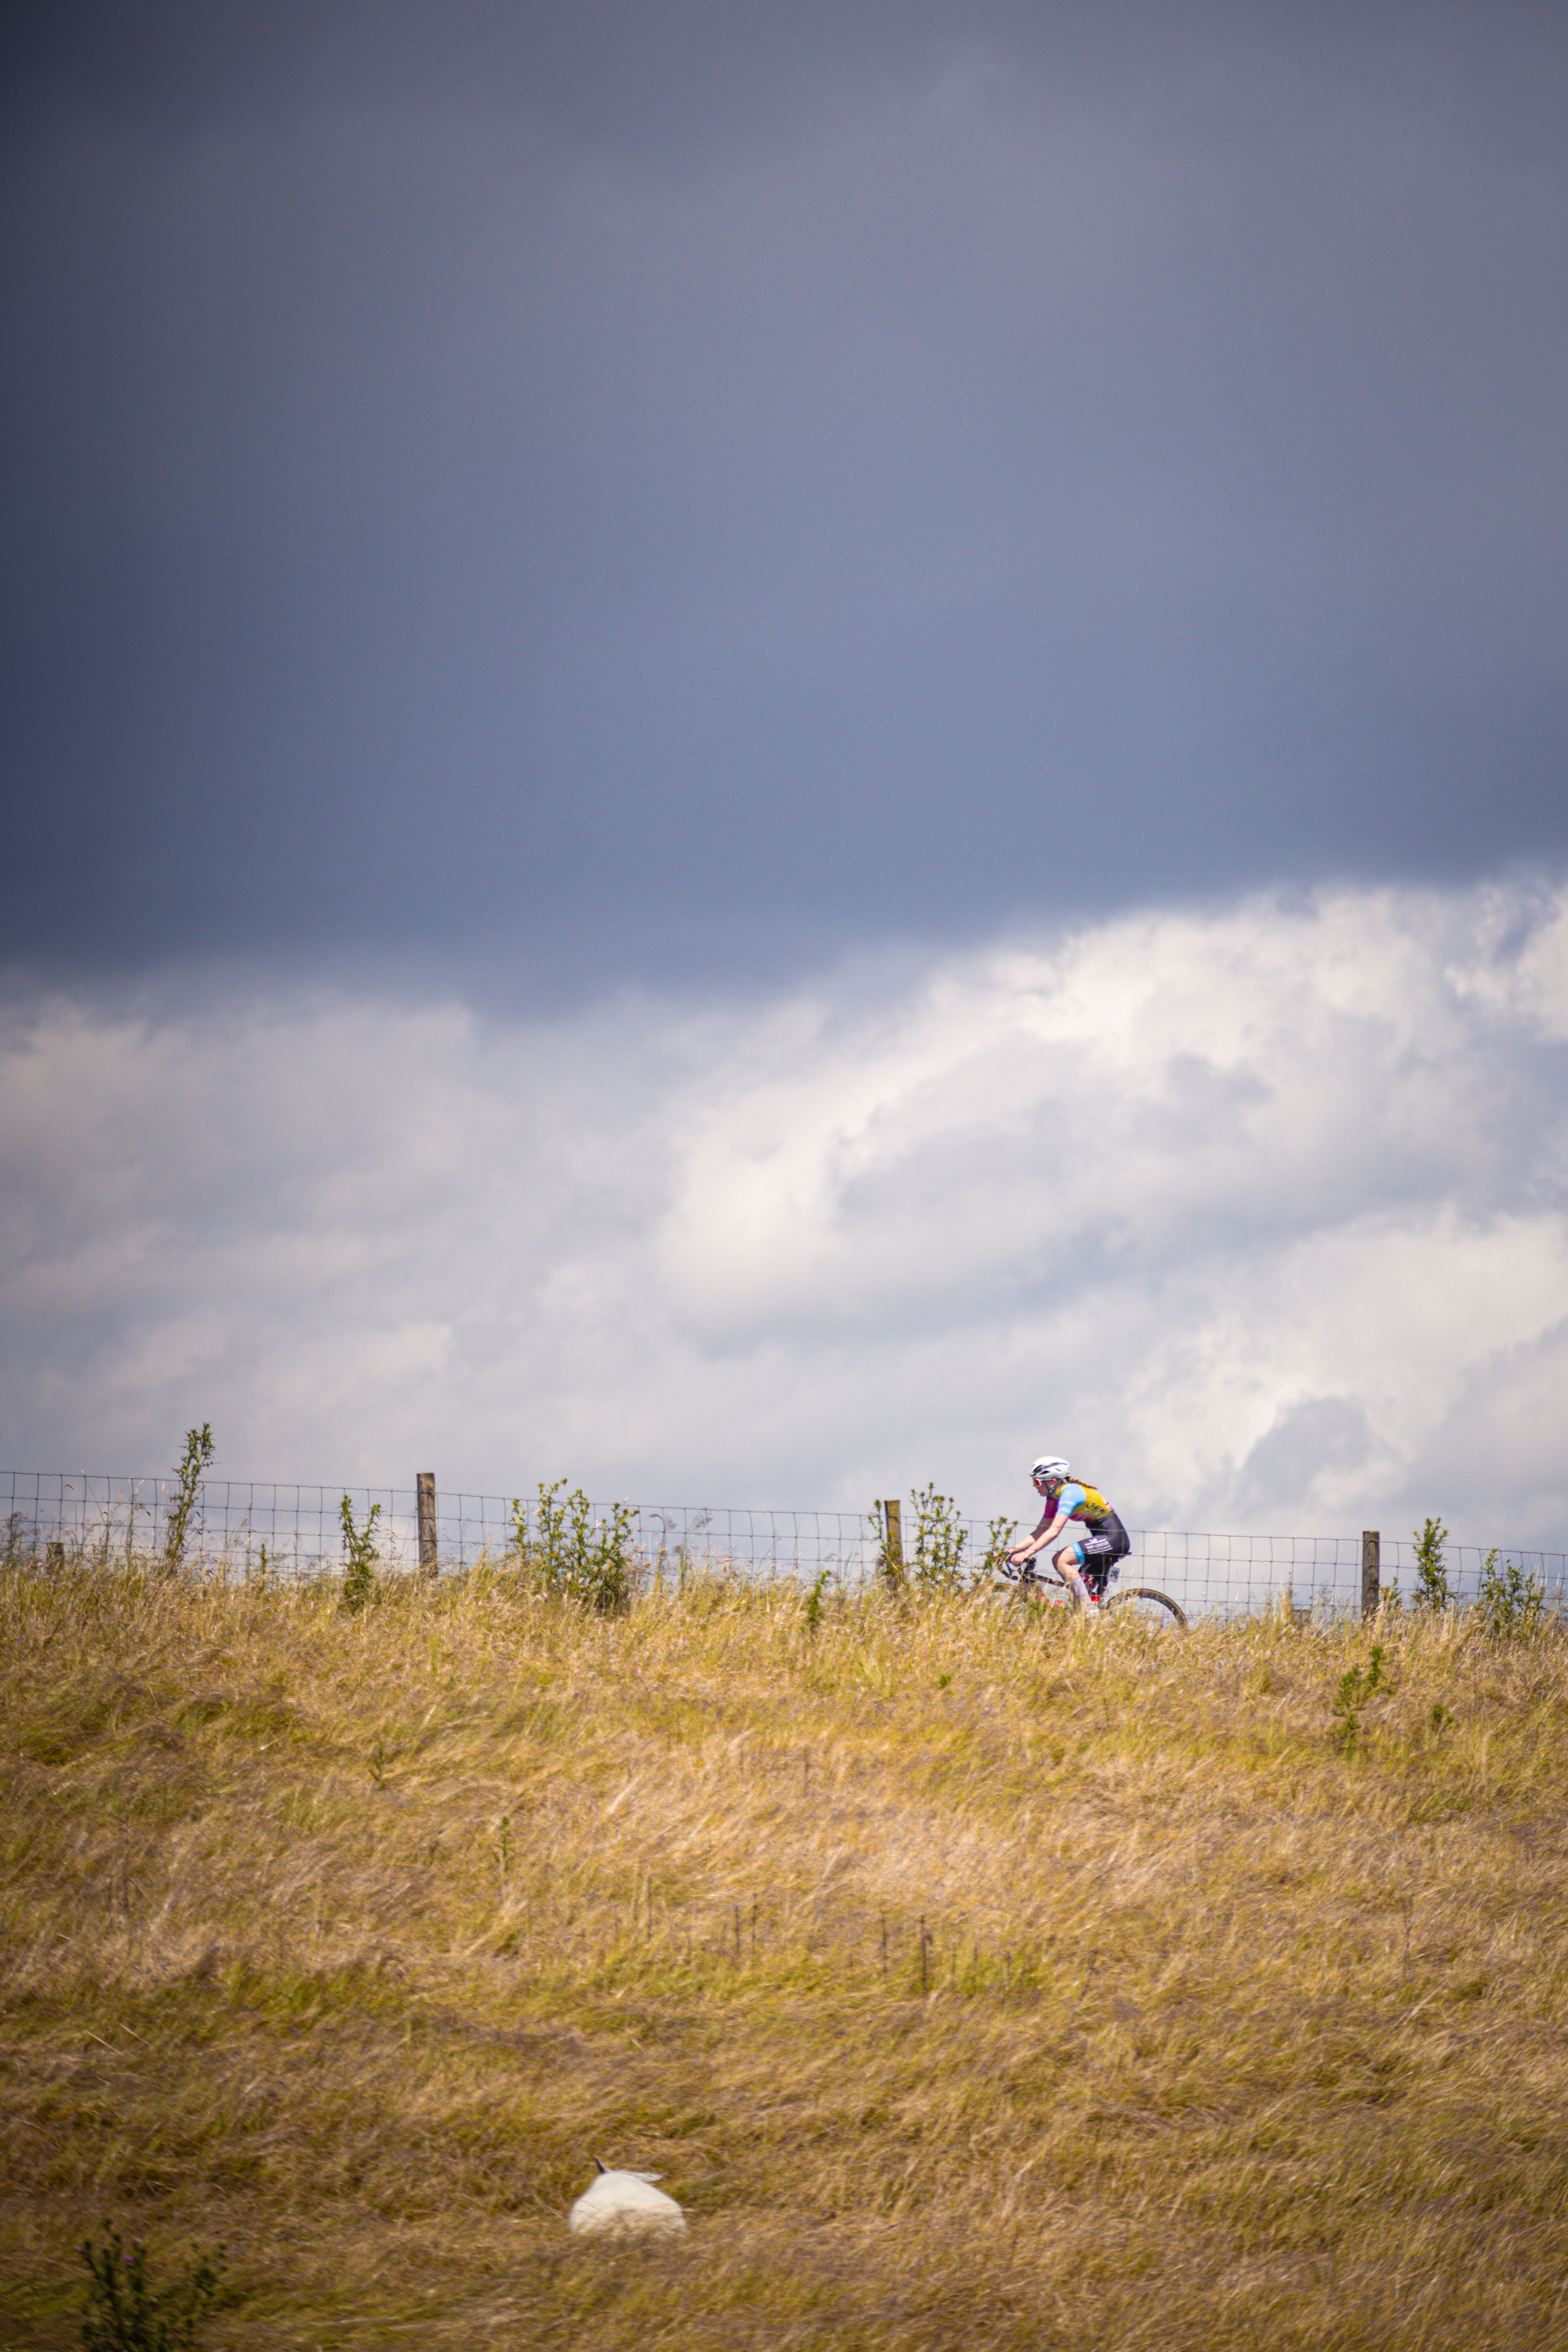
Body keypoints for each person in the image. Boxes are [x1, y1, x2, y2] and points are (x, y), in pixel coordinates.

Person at [1007, 1455, 1131, 1608]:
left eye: (1037, 1481)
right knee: (1076, 1598)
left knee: (1060, 1560)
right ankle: (1088, 1615)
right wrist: (1011, 1551)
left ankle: (1089, 1613)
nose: (1035, 1486)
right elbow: (1040, 1532)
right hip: (1104, 1541)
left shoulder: (1070, 1492)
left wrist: (1027, 1553)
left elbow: (1054, 1531)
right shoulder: (1054, 1500)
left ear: (1052, 1481)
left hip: (1114, 1540)